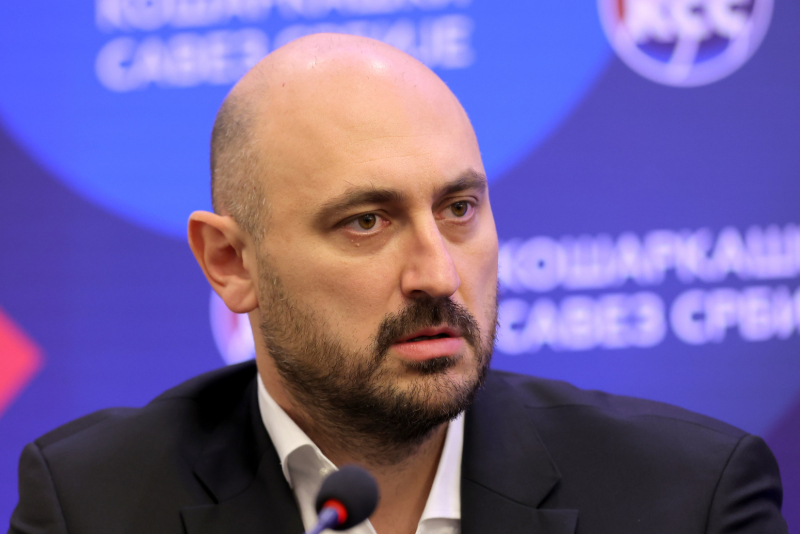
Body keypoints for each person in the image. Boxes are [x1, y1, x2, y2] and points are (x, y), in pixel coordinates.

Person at [9, 34, 787, 534]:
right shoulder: (94, 505)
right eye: (366, 222)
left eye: (459, 209)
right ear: (231, 263)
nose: (438, 275)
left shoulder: (688, 498)